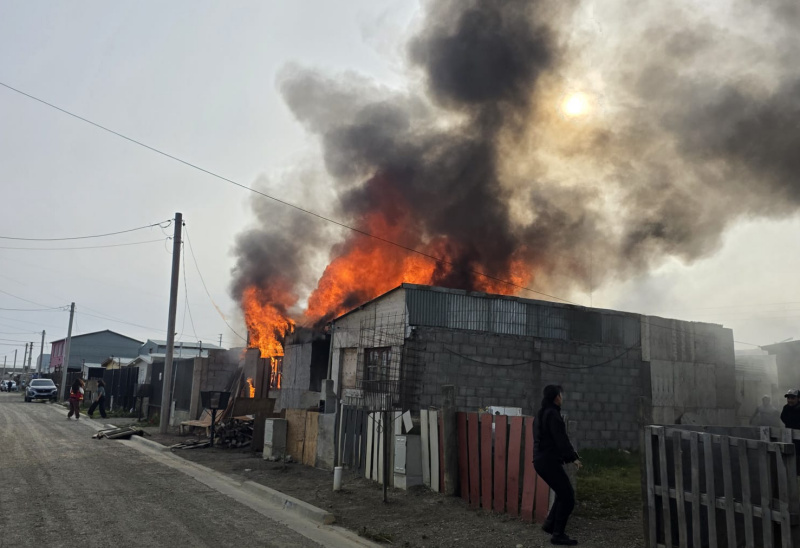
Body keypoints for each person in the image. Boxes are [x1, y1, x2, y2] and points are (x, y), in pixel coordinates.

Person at [533, 385, 582, 546]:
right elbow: (560, 438)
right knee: (568, 497)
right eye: (561, 395)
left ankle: (550, 525)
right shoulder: (553, 414)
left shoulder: (541, 414)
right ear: (556, 397)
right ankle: (558, 534)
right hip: (548, 461)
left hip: (540, 461)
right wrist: (572, 457)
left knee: (562, 493)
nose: (563, 397)